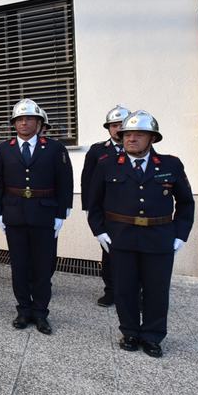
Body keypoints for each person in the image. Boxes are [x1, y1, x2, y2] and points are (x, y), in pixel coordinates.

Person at [87, 110, 194, 358]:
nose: (131, 139)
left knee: (157, 290)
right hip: (121, 236)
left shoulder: (170, 164)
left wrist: (180, 234)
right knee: (125, 288)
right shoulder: (107, 164)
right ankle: (130, 332)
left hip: (159, 237)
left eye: (138, 135)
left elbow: (186, 203)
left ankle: (153, 336)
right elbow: (94, 202)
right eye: (127, 134)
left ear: (152, 138)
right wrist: (99, 231)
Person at [0, 99, 73, 335]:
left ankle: (40, 313)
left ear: (38, 122)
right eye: (19, 119)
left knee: (42, 267)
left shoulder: (55, 148)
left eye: (29, 118)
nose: (24, 123)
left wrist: (62, 213)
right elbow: (0, 182)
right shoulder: (3, 149)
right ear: (14, 123)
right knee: (19, 266)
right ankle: (23, 310)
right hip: (14, 213)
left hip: (44, 213)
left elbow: (65, 181)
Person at [81, 104, 130, 307]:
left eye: (121, 124)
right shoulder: (97, 150)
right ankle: (111, 290)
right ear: (108, 128)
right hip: (107, 211)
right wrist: (88, 208)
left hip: (133, 210)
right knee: (109, 252)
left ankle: (136, 292)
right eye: (114, 125)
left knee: (136, 254)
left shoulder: (139, 147)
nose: (118, 129)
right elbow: (87, 180)